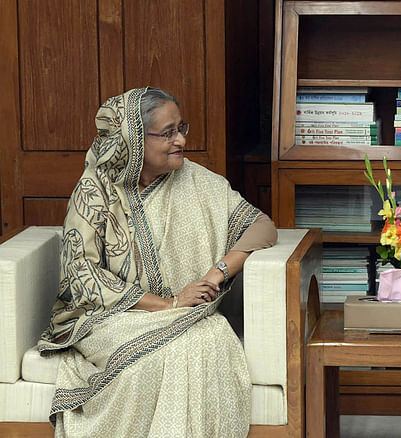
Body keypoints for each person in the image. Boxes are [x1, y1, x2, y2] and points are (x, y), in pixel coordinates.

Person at [37, 87, 278, 437]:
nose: (180, 140)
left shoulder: (199, 181)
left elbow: (261, 227)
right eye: (167, 133)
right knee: (157, 358)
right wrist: (167, 303)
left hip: (190, 311)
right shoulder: (95, 192)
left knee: (208, 343)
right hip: (109, 317)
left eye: (182, 128)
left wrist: (218, 271)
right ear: (133, 138)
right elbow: (82, 275)